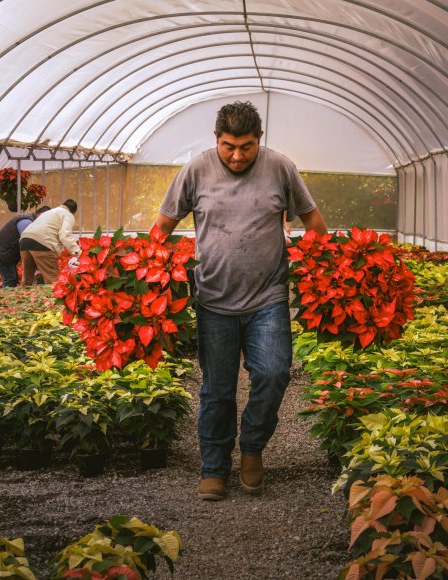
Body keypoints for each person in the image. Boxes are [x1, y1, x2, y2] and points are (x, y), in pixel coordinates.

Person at [154, 101, 328, 501]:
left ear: (259, 140)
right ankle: (214, 467)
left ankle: (251, 448)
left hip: (267, 298)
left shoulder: (280, 168)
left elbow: (314, 223)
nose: (236, 155)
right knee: (217, 389)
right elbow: (162, 227)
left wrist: (324, 271)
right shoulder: (195, 170)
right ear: (216, 139)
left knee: (273, 373)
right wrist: (147, 282)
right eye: (228, 146)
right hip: (213, 299)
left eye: (246, 146)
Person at [19, 199, 81, 285]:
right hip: (42, 243)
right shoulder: (68, 215)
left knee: (26, 281)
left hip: (24, 241)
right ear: (73, 212)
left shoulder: (49, 212)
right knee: (53, 281)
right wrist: (78, 252)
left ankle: (22, 297)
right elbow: (65, 235)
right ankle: (52, 299)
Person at [0, 206, 50, 287]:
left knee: (12, 278)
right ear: (41, 215)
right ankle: (6, 297)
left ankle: (7, 296)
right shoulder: (26, 221)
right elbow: (28, 242)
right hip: (0, 250)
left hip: (6, 250)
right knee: (10, 279)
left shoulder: (32, 221)